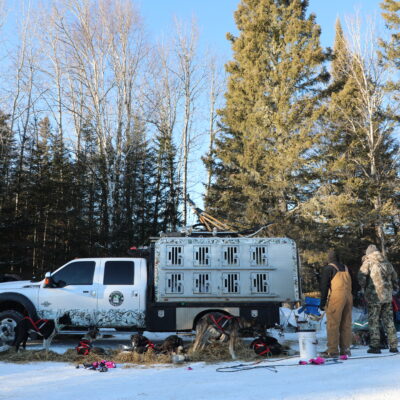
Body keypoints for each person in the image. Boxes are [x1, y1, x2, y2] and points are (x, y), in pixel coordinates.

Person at [358, 244, 398, 354]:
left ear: (368, 253)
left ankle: (375, 346)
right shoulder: (386, 262)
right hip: (387, 297)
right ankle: (393, 345)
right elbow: (395, 277)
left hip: (374, 296)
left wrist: (364, 288)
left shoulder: (368, 262)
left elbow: (361, 277)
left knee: (374, 321)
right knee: (389, 320)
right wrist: (392, 289)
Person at [319, 249, 354, 357]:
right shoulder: (347, 268)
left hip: (336, 297)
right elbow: (355, 284)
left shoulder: (329, 268)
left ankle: (333, 350)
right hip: (349, 296)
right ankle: (346, 349)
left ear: (329, 258)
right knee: (346, 324)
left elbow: (324, 287)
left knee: (333, 324)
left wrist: (322, 302)